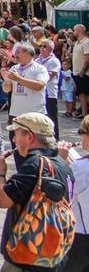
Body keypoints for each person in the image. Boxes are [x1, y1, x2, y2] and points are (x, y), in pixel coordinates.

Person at [0, 112, 74, 270]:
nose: (13, 140)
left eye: (16, 134)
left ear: (30, 137)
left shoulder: (34, 164)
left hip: (26, 256)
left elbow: (4, 201)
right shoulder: (62, 164)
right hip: (53, 254)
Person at [58, 114, 89, 269]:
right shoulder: (81, 166)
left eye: (81, 132)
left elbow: (64, 193)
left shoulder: (81, 168)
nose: (80, 136)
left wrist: (61, 161)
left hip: (82, 238)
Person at [4, 43, 49, 129]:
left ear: (27, 53)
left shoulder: (40, 69)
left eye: (17, 52)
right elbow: (7, 89)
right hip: (15, 113)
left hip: (34, 113)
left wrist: (18, 79)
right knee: (15, 140)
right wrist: (6, 80)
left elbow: (39, 86)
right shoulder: (14, 68)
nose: (15, 55)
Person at [36, 40, 63, 138]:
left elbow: (49, 75)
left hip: (50, 93)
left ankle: (55, 139)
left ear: (50, 49)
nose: (42, 48)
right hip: (39, 93)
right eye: (41, 46)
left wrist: (36, 77)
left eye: (44, 46)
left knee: (51, 118)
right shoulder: (37, 60)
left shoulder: (54, 61)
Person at [73, 25, 89, 118]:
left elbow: (87, 58)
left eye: (75, 30)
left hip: (84, 73)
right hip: (76, 72)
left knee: (86, 94)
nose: (74, 32)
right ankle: (84, 114)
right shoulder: (77, 42)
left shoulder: (86, 42)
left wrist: (83, 71)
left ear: (79, 31)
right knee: (81, 94)